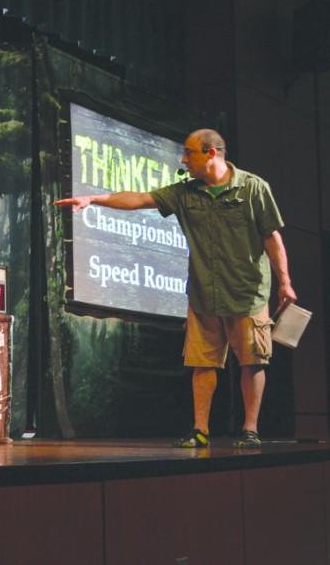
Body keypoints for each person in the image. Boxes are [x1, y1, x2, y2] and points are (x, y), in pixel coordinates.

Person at [54, 129, 296, 449]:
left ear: (211, 153)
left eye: (190, 153)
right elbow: (140, 199)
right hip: (203, 295)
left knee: (252, 361)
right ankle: (200, 430)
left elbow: (271, 238)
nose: (183, 160)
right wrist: (94, 199)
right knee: (202, 363)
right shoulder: (185, 193)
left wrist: (285, 281)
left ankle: (250, 429)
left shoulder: (252, 188)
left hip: (247, 293)